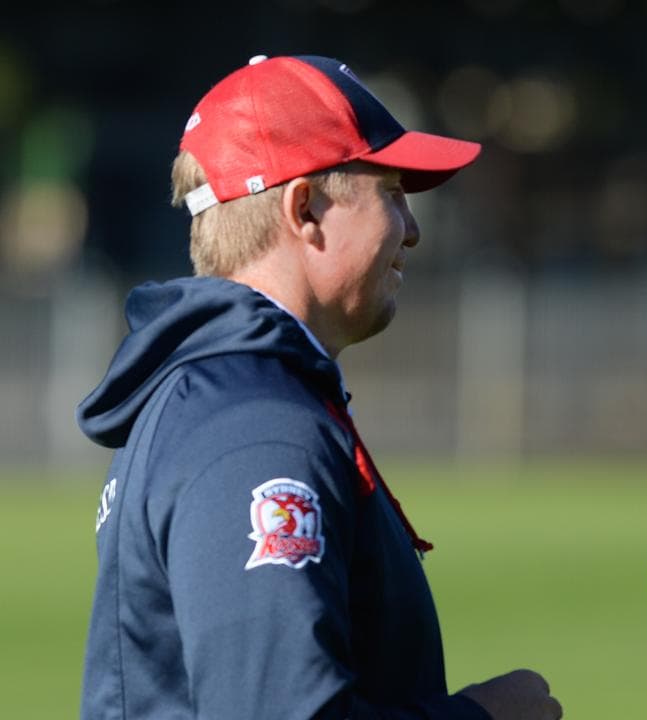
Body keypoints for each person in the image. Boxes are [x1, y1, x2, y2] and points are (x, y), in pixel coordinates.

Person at [77, 55, 561, 720]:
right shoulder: (253, 427)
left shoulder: (228, 394)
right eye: (392, 191)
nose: (413, 230)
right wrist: (484, 717)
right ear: (304, 208)